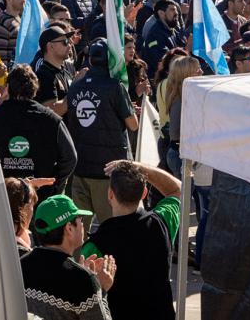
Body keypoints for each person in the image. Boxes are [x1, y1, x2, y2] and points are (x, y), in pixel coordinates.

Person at [81, 160, 182, 320]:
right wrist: (141, 168)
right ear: (144, 193)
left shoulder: (94, 246)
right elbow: (177, 189)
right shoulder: (162, 222)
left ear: (110, 194)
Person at [66, 39, 139, 233]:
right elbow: (133, 125)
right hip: (107, 172)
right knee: (113, 230)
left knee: (77, 232)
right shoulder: (115, 87)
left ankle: (76, 264)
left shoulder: (75, 87)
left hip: (80, 168)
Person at [0, 65, 77, 199]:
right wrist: (53, 185)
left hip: (2, 197)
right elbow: (70, 158)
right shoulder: (52, 120)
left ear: (8, 88)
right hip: (39, 199)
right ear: (35, 89)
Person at [20, 195, 116, 320]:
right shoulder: (82, 279)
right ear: (69, 228)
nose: (83, 225)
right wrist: (100, 290)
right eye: (80, 219)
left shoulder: (21, 264)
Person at [33, 23, 78, 116]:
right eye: (65, 42)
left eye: (69, 41)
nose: (69, 45)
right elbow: (52, 112)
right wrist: (76, 86)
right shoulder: (43, 75)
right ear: (51, 46)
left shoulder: (67, 71)